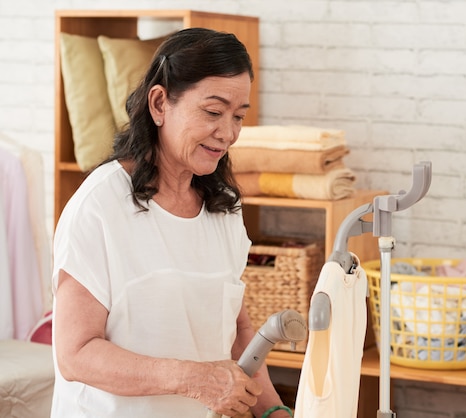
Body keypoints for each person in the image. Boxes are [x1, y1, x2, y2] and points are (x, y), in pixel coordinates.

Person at [51, 28, 292, 418]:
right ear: (160, 103)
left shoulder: (224, 209)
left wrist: (273, 411)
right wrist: (195, 380)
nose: (228, 133)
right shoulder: (99, 207)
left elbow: (238, 335)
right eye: (213, 112)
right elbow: (76, 355)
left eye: (238, 116)